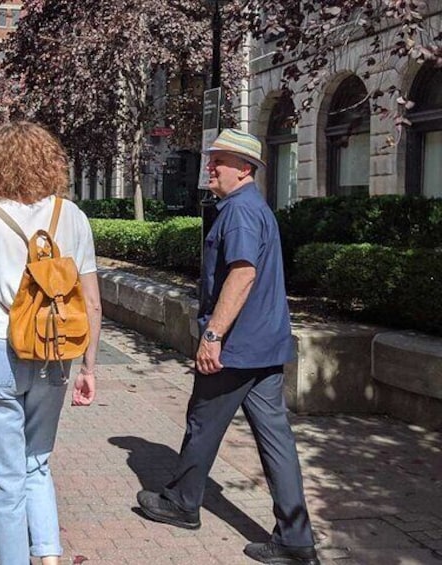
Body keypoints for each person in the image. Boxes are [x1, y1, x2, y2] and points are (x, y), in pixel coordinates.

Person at [136, 129, 319, 565]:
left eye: (221, 160)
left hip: (236, 347)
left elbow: (242, 275)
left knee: (203, 423)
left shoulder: (238, 211)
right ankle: (295, 538)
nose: (211, 166)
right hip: (265, 346)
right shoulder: (254, 208)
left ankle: (182, 503)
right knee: (276, 441)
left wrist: (213, 335)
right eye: (212, 157)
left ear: (246, 170)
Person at [0, 121, 102, 565]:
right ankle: (48, 557)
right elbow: (91, 302)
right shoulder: (73, 217)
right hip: (56, 349)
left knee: (4, 477)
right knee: (37, 462)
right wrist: (88, 367)